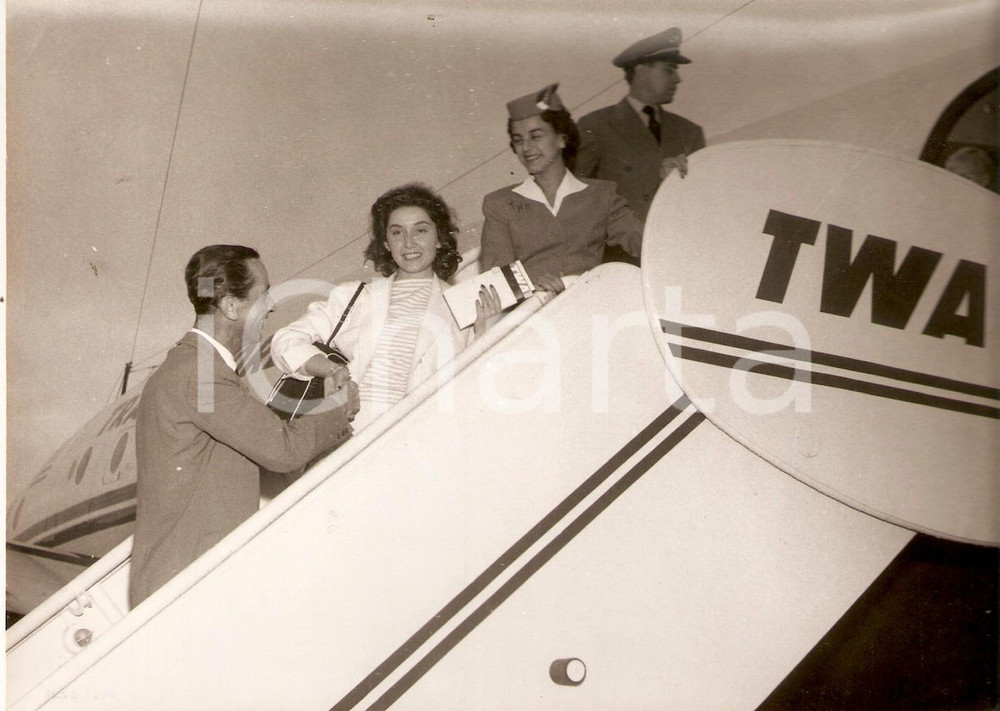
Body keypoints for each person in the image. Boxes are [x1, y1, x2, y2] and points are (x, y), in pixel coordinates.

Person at [129, 245, 359, 608]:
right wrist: (337, 408)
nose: (272, 305)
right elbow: (283, 451)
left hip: (184, 581)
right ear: (231, 307)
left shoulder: (201, 370)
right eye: (264, 293)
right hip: (188, 589)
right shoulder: (200, 376)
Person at [272, 183, 499, 431]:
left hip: (418, 437)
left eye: (420, 231)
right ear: (387, 243)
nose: (409, 243)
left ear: (439, 238)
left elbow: (473, 393)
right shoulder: (356, 296)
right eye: (397, 233)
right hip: (348, 434)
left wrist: (486, 334)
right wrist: (332, 370)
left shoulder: (463, 305)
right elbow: (285, 340)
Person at [480, 83, 643, 294]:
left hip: (592, 305)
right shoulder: (500, 203)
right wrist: (536, 292)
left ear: (562, 138)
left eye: (536, 136)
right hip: (531, 316)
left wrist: (674, 183)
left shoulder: (602, 195)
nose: (526, 148)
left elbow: (647, 243)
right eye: (518, 140)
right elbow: (496, 283)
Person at [575, 27, 706, 264]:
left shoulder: (690, 133)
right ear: (641, 71)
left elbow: (701, 204)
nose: (678, 79)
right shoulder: (596, 125)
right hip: (616, 259)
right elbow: (576, 199)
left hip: (675, 256)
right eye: (669, 70)